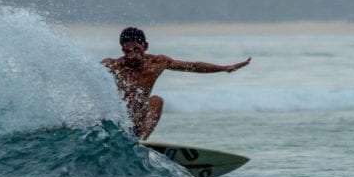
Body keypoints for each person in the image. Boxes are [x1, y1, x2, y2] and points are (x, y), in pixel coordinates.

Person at [102, 27, 251, 139]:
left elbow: (193, 66)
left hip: (139, 120)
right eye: (128, 51)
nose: (132, 54)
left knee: (156, 101)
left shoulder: (157, 62)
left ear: (145, 47)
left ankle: (141, 141)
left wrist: (224, 68)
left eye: (136, 49)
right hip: (118, 119)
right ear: (122, 49)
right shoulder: (113, 65)